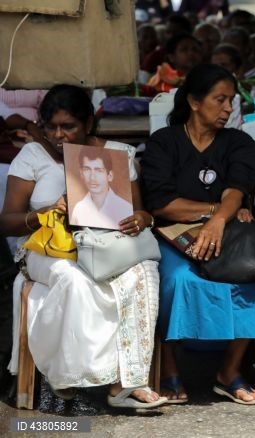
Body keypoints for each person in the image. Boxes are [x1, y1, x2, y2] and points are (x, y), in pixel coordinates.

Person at [0, 85, 165, 409]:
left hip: (105, 247)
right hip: (47, 251)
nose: (59, 135)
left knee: (145, 271)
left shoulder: (117, 153)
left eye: (68, 126)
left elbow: (140, 210)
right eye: (52, 127)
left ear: (88, 123)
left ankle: (127, 383)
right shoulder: (32, 155)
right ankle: (69, 375)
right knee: (74, 279)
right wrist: (46, 214)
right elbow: (7, 221)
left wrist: (142, 217)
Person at [141, 64, 255, 405]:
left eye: (231, 101)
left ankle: (229, 371)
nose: (228, 109)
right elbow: (161, 204)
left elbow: (237, 189)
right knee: (176, 279)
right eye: (220, 100)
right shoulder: (165, 142)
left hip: (229, 232)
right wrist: (212, 211)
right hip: (174, 233)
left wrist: (219, 220)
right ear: (193, 101)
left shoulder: (238, 142)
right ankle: (170, 367)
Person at [70, 147, 134, 229]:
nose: (92, 177)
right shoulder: (78, 208)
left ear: (110, 176)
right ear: (81, 173)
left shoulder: (125, 208)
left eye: (99, 170)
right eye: (87, 170)